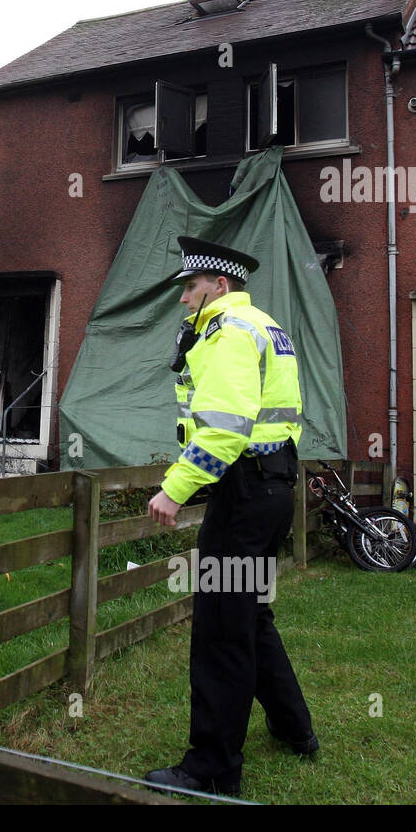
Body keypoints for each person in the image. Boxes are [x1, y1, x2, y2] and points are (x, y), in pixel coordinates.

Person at [144, 236, 317, 798]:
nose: (182, 299)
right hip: (271, 487)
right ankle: (296, 730)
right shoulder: (266, 326)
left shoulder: (227, 332)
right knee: (251, 613)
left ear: (220, 285)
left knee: (222, 624)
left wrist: (174, 489)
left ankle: (212, 768)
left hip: (244, 493)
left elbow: (224, 425)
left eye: (190, 287)